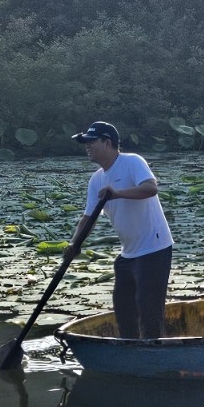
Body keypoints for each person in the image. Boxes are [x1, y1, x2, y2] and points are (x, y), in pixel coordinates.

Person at [68, 121, 173, 339]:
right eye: (85, 142)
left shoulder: (132, 162)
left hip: (154, 250)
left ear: (107, 142)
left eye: (91, 141)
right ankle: (129, 351)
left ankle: (155, 352)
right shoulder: (97, 179)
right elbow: (88, 217)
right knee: (124, 312)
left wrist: (117, 193)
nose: (87, 146)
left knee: (149, 313)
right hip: (128, 255)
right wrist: (74, 244)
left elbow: (150, 188)